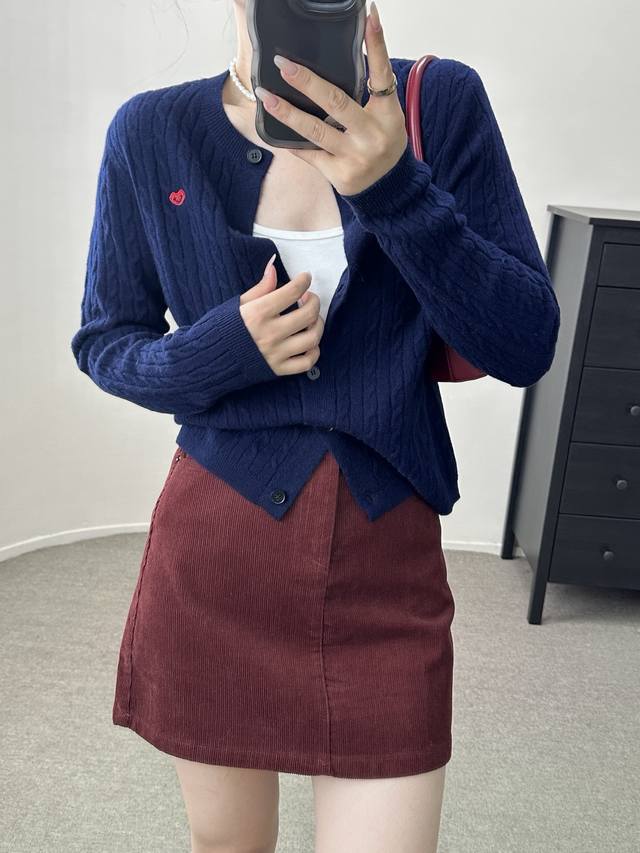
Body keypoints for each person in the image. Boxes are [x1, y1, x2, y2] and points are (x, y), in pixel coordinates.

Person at [70, 1, 560, 850]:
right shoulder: (150, 132)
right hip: (214, 564)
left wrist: (394, 188)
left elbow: (524, 344)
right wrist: (224, 349)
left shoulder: (438, 105)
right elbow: (106, 343)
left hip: (385, 565)